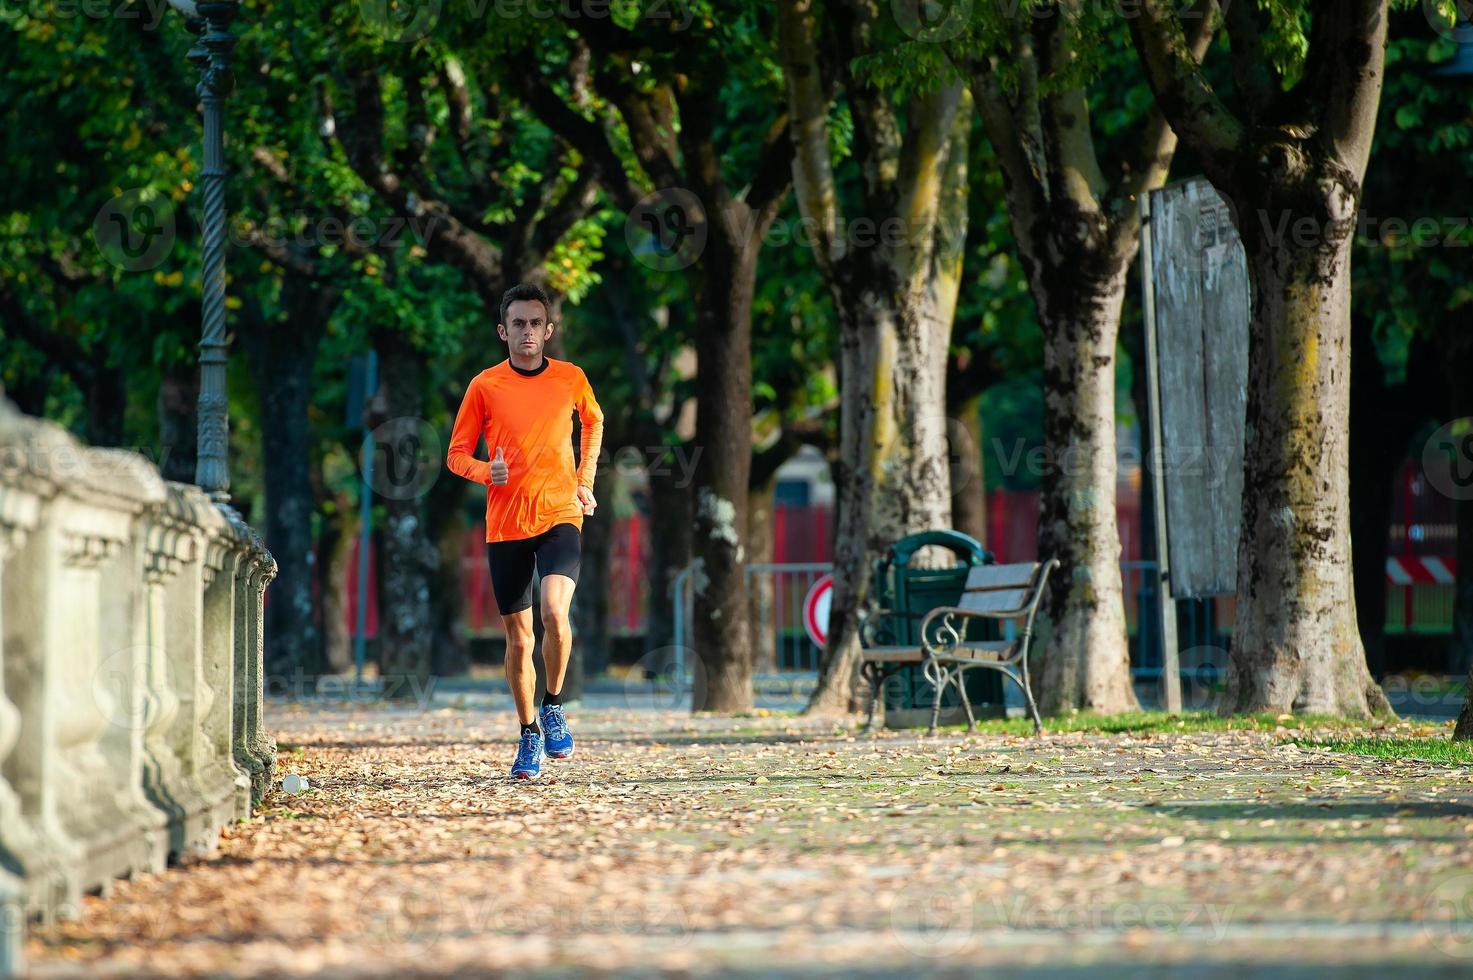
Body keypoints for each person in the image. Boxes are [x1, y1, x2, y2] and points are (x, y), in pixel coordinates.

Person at [446, 283, 604, 780]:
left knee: (556, 613)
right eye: (518, 323)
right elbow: (455, 454)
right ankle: (529, 731)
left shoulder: (571, 378)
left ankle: (554, 704)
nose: (527, 332)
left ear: (549, 331)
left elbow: (594, 423)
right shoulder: (484, 386)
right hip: (506, 523)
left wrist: (584, 482)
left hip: (560, 512)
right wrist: (482, 472)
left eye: (536, 323)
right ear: (503, 331)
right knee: (518, 639)